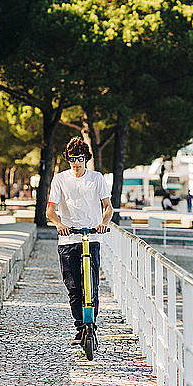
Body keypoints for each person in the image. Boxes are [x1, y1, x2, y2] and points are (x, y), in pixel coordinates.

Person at [46, 136, 113, 346]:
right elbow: (50, 210)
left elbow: (108, 207)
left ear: (86, 159)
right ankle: (80, 326)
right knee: (73, 287)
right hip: (68, 240)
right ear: (68, 159)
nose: (76, 162)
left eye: (80, 158)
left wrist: (103, 223)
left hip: (91, 237)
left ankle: (91, 324)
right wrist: (59, 224)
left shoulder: (97, 178)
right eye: (73, 158)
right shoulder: (60, 179)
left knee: (91, 286)